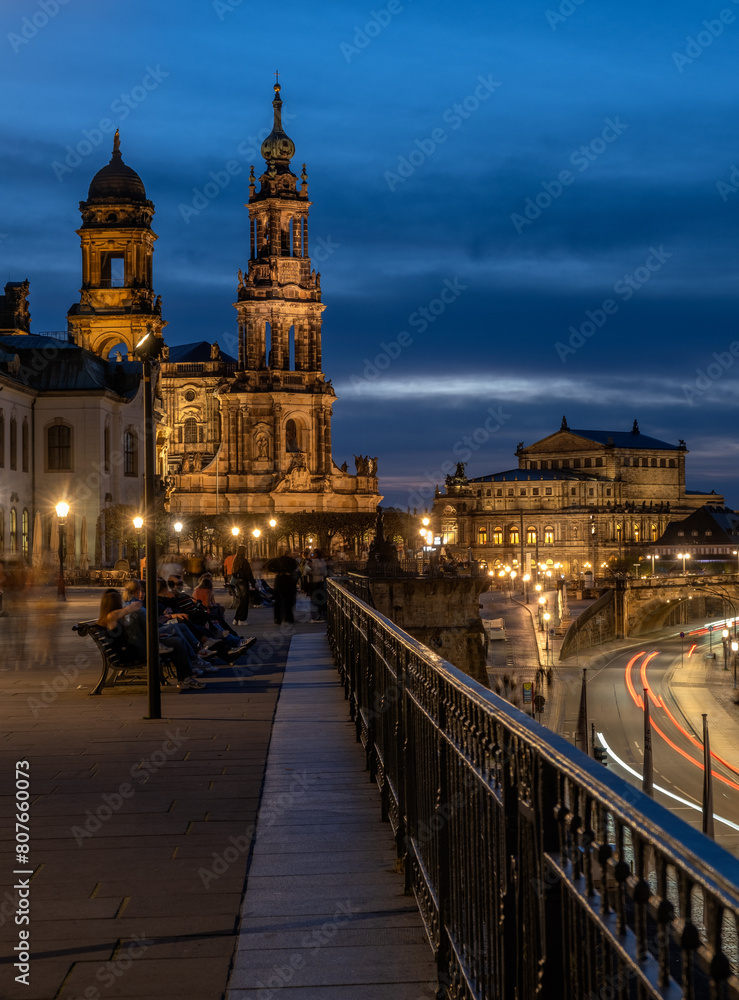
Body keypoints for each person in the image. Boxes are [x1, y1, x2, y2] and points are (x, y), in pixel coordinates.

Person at [97, 588, 205, 691]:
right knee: (175, 643)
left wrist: (155, 636)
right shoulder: (111, 616)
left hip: (133, 648)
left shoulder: (110, 617)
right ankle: (185, 678)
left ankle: (186, 676)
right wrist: (133, 606)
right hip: (129, 653)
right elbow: (126, 610)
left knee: (175, 640)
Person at [231, 546, 255, 625]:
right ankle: (242, 619)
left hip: (238, 582)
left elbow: (233, 573)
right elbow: (248, 573)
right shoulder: (244, 561)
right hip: (244, 582)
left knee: (241, 601)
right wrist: (253, 582)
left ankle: (236, 618)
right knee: (245, 602)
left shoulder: (235, 561)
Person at [306, 549, 327, 622]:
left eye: (313, 553)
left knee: (314, 599)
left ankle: (315, 616)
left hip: (314, 582)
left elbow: (306, 571)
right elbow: (325, 573)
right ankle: (322, 614)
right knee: (321, 599)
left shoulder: (312, 562)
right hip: (321, 581)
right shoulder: (323, 561)